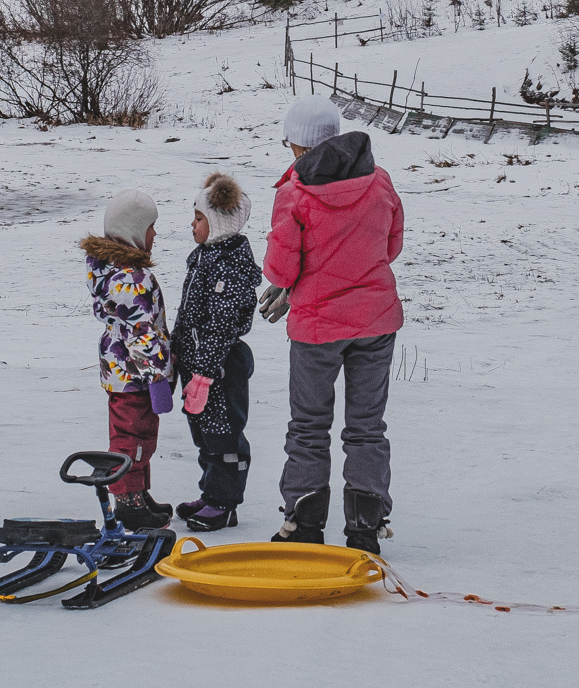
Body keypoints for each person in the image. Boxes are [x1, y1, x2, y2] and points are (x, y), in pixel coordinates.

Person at [262, 95, 405, 554]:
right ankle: (365, 527)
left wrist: (294, 284)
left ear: (299, 146)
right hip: (376, 321)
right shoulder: (379, 181)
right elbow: (392, 244)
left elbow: (281, 271)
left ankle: (303, 524)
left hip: (316, 330)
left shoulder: (295, 194)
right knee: (366, 426)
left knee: (308, 426)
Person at [170, 172, 260, 531]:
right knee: (204, 432)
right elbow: (189, 313)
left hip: (220, 369)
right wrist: (177, 350)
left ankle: (224, 503)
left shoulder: (230, 267)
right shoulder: (205, 257)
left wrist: (205, 374)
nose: (192, 225)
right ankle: (211, 495)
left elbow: (221, 328)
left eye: (199, 219)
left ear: (220, 223)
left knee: (223, 435)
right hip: (197, 365)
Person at [83, 188, 175, 528]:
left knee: (142, 439)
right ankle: (127, 500)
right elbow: (140, 333)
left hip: (123, 372)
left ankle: (139, 492)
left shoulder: (113, 270)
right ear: (134, 230)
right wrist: (156, 378)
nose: (154, 234)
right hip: (134, 376)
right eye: (151, 227)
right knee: (131, 439)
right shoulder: (131, 279)